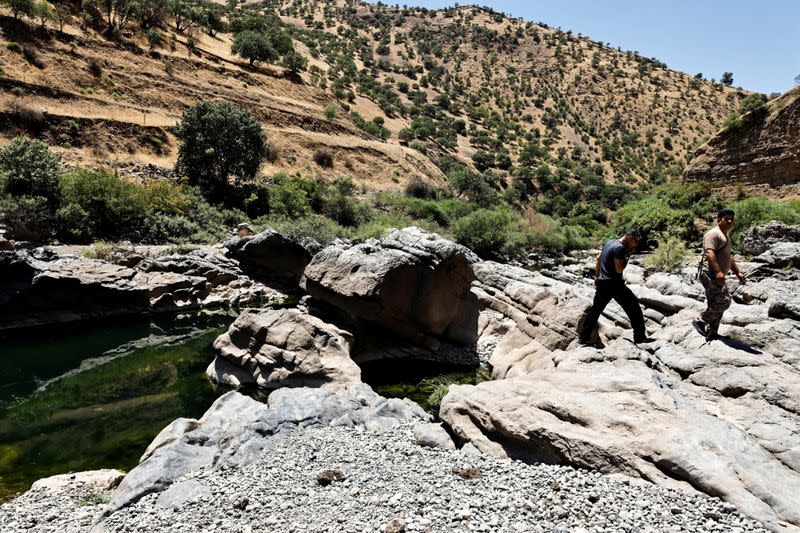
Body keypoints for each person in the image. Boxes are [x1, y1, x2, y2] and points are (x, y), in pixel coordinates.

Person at [579, 229, 653, 346]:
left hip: (603, 283)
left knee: (595, 311)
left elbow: (598, 259)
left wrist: (597, 277)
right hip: (614, 284)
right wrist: (628, 256)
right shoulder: (620, 248)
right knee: (634, 309)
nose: (636, 244)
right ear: (630, 237)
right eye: (636, 241)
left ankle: (583, 338)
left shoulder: (609, 242)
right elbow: (619, 269)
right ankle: (639, 337)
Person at [692, 208, 746, 340]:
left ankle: (712, 332)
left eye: (731, 219)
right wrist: (718, 272)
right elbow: (709, 253)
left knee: (715, 302)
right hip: (709, 273)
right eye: (726, 219)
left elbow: (729, 257)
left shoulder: (725, 236)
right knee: (724, 301)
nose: (729, 221)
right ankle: (700, 320)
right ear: (719, 220)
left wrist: (738, 272)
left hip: (716, 274)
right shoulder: (713, 234)